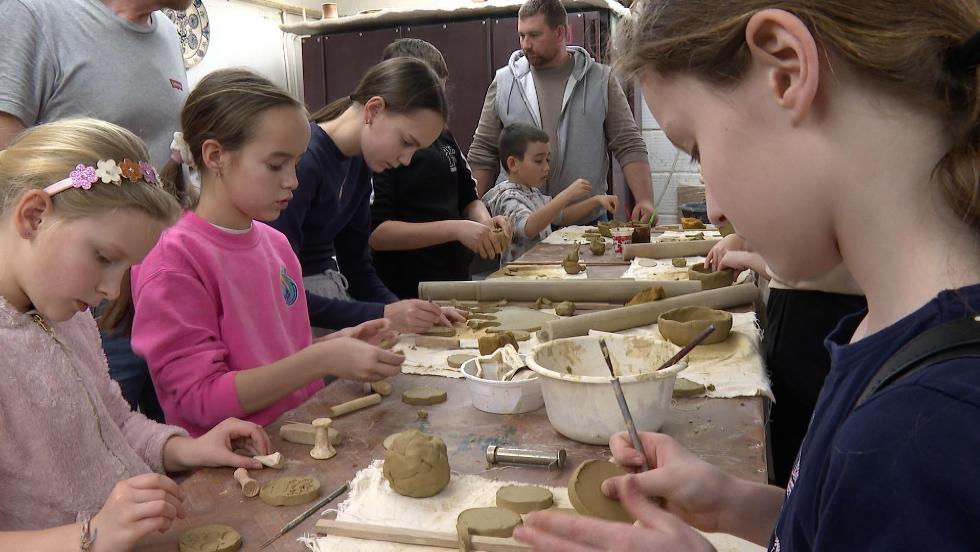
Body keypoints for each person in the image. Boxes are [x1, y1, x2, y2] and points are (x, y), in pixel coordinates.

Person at [515, 0, 980, 550]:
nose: (713, 209)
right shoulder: (882, 332)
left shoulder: (928, 428)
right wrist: (739, 504)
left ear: (784, 70)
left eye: (696, 151)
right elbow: (845, 522)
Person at [0, 118, 272, 549]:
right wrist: (90, 536)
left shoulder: (68, 315)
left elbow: (115, 421)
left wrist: (187, 448)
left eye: (125, 270)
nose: (110, 290)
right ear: (33, 217)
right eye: (104, 257)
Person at [131, 69, 403, 437]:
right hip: (235, 468)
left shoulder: (275, 245)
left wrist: (336, 346)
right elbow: (199, 400)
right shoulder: (175, 262)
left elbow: (277, 359)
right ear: (215, 156)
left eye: (296, 162)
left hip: (298, 440)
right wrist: (318, 359)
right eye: (276, 165)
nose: (293, 180)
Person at [0, 0, 193, 423]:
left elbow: (116, 428)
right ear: (32, 216)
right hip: (52, 289)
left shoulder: (168, 37)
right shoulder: (33, 15)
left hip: (130, 271)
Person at [270, 57, 466, 331]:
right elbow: (279, 291)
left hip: (325, 308)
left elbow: (358, 269)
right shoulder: (307, 163)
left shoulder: (359, 165)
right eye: (406, 142)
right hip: (292, 320)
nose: (407, 160)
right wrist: (385, 312)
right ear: (374, 110)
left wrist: (408, 312)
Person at [467, 0, 654, 224]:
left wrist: (645, 200)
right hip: (520, 222)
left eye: (534, 35)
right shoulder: (505, 82)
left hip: (585, 220)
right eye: (522, 35)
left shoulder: (600, 80)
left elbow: (628, 143)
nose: (525, 44)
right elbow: (483, 150)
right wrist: (472, 212)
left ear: (560, 33)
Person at [706, 232, 866, 486]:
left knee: (804, 450)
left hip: (817, 325)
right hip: (811, 319)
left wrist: (746, 255)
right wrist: (745, 241)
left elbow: (798, 267)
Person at [369, 38, 513, 299]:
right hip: (406, 290)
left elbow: (469, 196)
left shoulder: (442, 136)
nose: (438, 105)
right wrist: (456, 229)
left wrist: (484, 224)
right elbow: (378, 232)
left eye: (441, 94)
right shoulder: (384, 147)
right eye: (430, 94)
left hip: (455, 278)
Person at [483, 123, 617, 264]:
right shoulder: (508, 197)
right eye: (538, 160)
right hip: (520, 279)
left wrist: (596, 201)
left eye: (547, 160)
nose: (547, 167)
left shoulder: (533, 192)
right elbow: (529, 227)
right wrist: (568, 194)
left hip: (539, 272)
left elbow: (561, 216)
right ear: (513, 164)